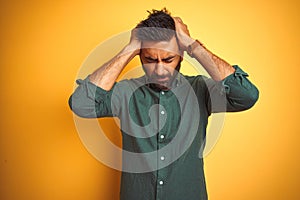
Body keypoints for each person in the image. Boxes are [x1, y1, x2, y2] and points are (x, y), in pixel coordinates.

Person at [69, 8, 259, 200]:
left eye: (168, 59)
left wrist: (192, 46)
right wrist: (130, 48)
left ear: (182, 55)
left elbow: (246, 95)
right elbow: (81, 104)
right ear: (140, 56)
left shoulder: (200, 89)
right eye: (150, 60)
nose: (160, 70)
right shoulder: (126, 92)